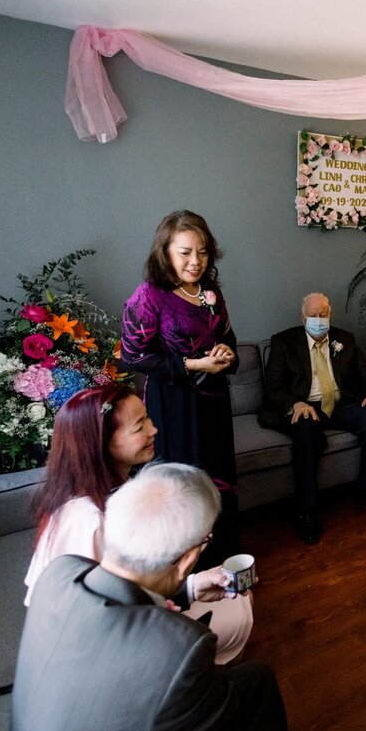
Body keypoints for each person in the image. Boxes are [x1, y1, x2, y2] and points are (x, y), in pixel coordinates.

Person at [12, 462, 290, 731]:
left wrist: (190, 587)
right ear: (188, 557)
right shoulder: (184, 647)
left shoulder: (61, 572)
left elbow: (121, 587)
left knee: (256, 678)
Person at [23, 384, 253, 664]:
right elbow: (93, 620)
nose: (154, 430)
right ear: (100, 442)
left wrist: (192, 586)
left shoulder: (119, 488)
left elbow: (124, 588)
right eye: (139, 426)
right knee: (240, 608)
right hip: (113, 651)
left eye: (148, 418)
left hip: (135, 617)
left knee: (238, 597)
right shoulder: (86, 519)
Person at [121, 209, 240, 569]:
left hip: (214, 403)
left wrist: (227, 351)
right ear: (166, 252)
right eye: (185, 252)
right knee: (183, 484)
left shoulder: (210, 292)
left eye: (202, 252)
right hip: (173, 405)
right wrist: (192, 365)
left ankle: (224, 561)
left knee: (217, 478)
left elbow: (228, 339)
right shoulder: (150, 296)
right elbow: (133, 356)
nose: (195, 261)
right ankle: (188, 571)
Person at [259, 292, 366, 544]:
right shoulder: (283, 342)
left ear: (329, 315)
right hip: (305, 406)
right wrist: (294, 403)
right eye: (313, 316)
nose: (318, 320)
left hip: (340, 404)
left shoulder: (345, 339)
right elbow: (273, 388)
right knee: (306, 430)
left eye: (323, 315)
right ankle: (306, 509)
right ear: (302, 317)